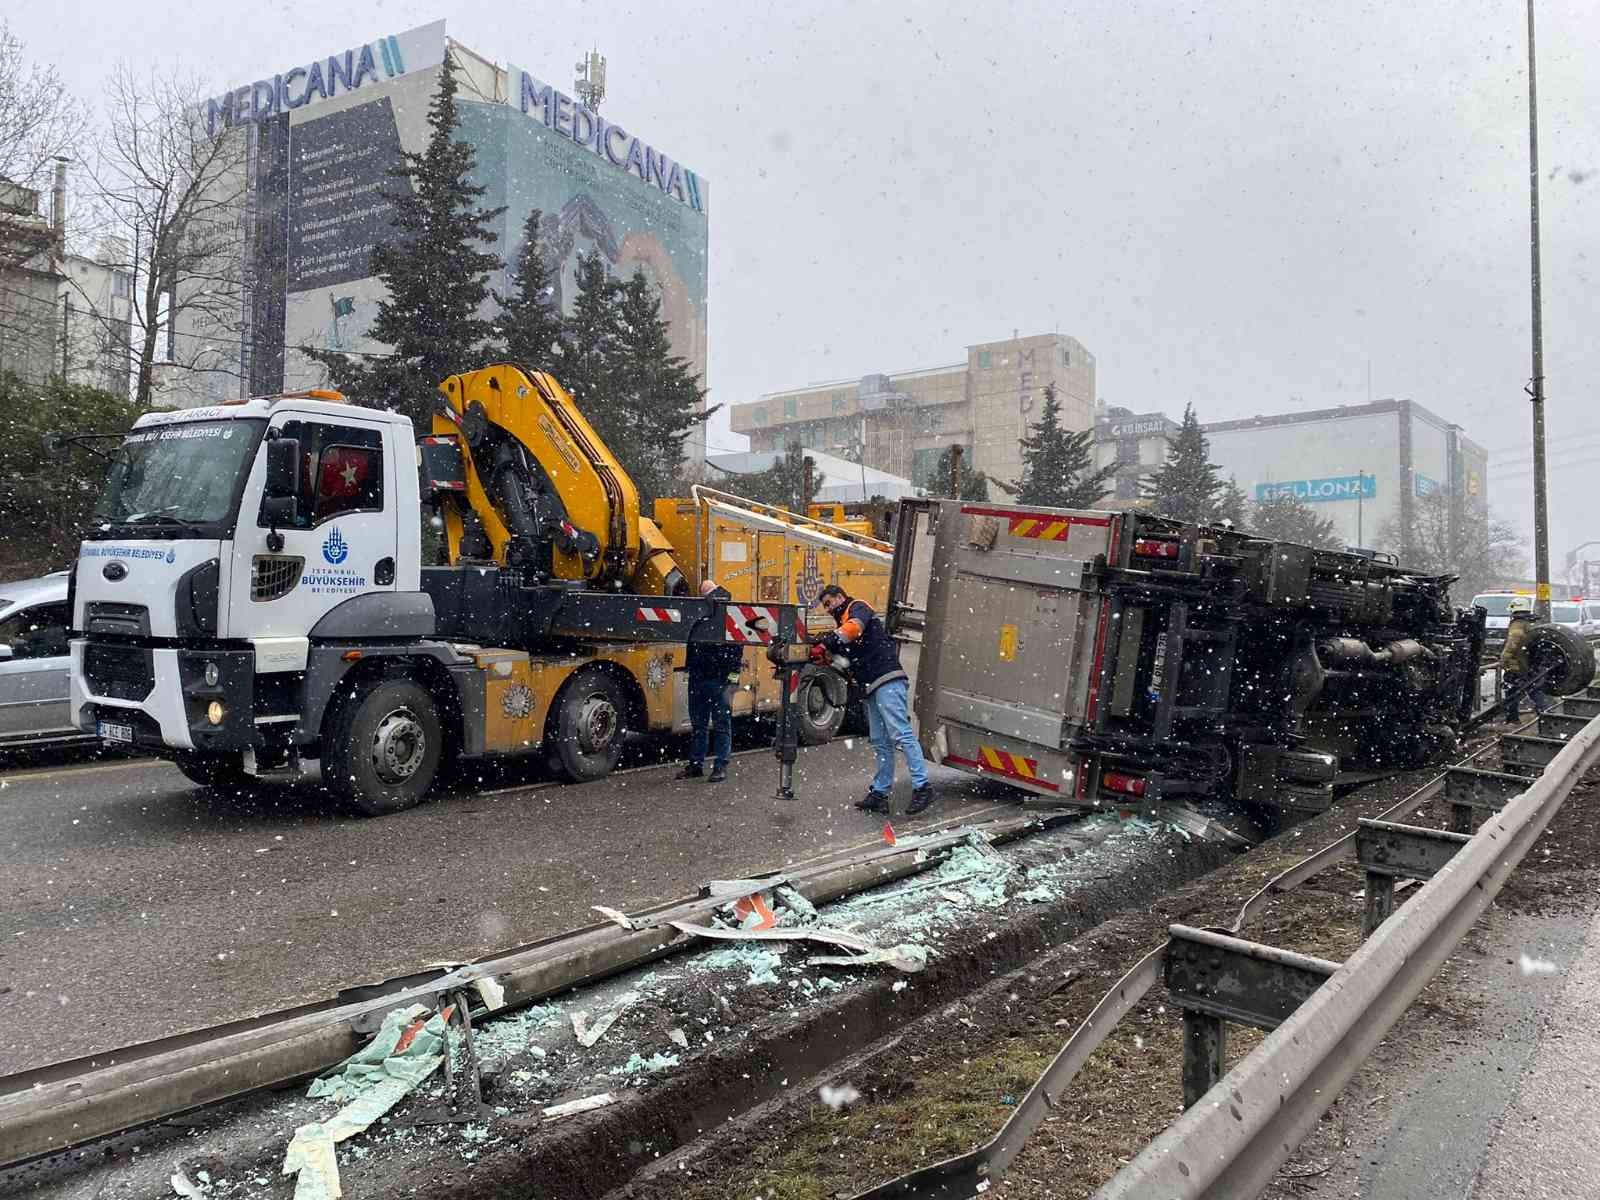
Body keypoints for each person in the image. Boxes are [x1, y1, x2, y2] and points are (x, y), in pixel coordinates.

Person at [814, 583, 933, 815]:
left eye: (829, 603)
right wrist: (829, 658)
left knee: (900, 733)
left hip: (886, 678)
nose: (828, 609)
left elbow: (854, 629)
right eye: (825, 606)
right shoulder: (843, 622)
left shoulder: (857, 608)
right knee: (880, 740)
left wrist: (825, 643)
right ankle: (879, 793)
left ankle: (922, 787)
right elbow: (846, 661)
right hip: (872, 685)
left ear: (840, 597)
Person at [678, 579, 742, 782]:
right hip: (712, 679)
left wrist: (731, 681)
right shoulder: (727, 616)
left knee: (706, 724)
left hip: (708, 679)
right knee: (712, 724)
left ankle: (707, 765)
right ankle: (714, 766)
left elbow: (735, 655)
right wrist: (731, 681)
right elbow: (736, 655)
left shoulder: (704, 616)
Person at [1500, 596, 1548, 722]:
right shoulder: (1530, 622)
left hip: (1518, 664)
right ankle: (1546, 714)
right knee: (1531, 688)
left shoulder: (1518, 624)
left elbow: (1512, 643)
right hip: (1529, 663)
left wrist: (1503, 658)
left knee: (1515, 690)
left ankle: (1514, 718)